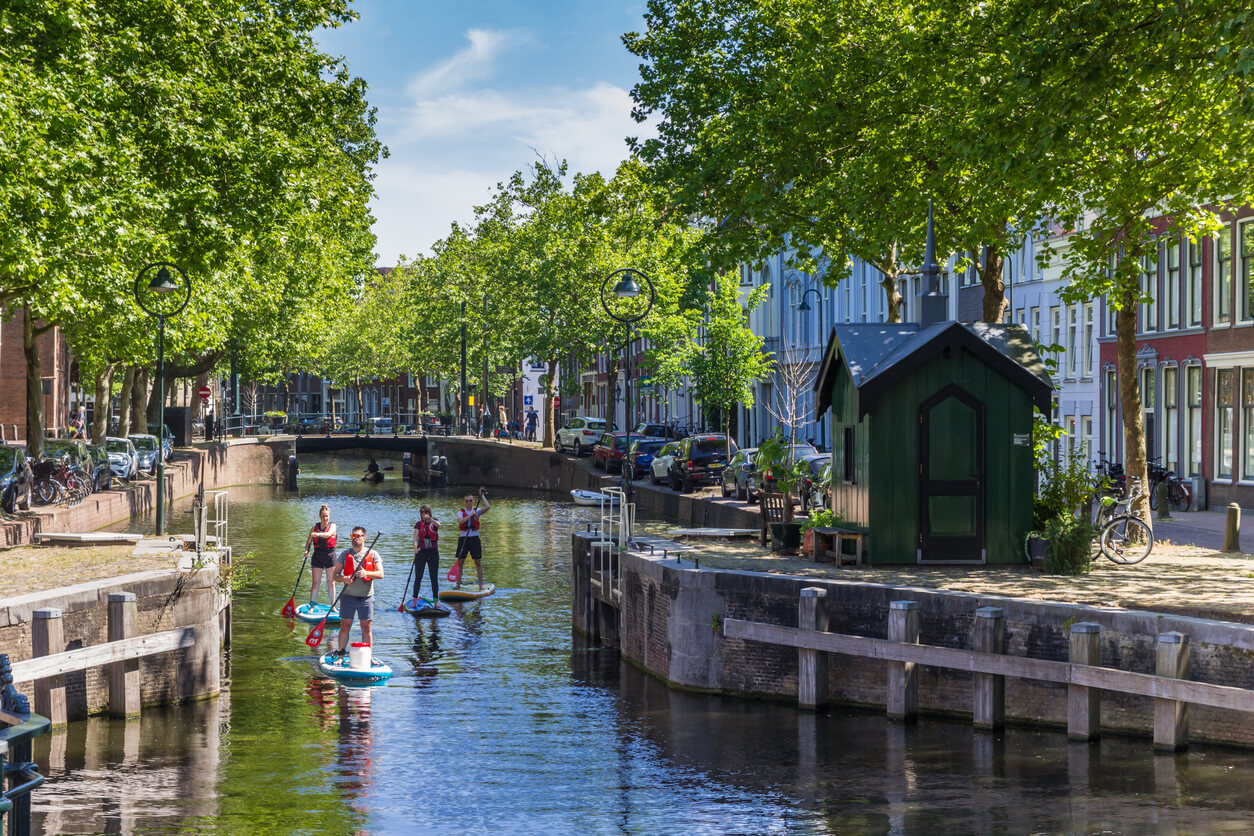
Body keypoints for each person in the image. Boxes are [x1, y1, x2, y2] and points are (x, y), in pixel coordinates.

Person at [331, 526, 384, 660]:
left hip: (366, 597)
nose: (354, 539)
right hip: (348, 596)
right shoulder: (344, 554)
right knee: (345, 626)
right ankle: (341, 655)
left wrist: (367, 573)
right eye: (352, 536)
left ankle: (368, 657)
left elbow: (381, 574)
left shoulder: (373, 554)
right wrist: (344, 578)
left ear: (364, 538)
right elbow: (334, 575)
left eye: (357, 536)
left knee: (366, 627)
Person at [453, 488, 490, 590]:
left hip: (474, 539)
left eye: (470, 500)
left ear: (473, 501)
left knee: (477, 562)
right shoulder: (460, 512)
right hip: (463, 539)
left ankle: (481, 585)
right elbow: (461, 521)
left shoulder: (477, 511)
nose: (468, 502)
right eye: (467, 501)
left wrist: (481, 496)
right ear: (464, 502)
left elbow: (487, 507)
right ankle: (458, 584)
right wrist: (470, 515)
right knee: (460, 562)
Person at [304, 504, 337, 607]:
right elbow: (308, 543)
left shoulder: (333, 526)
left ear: (329, 516)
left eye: (327, 516)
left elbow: (328, 534)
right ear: (320, 516)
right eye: (323, 516)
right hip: (317, 556)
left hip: (330, 556)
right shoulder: (314, 528)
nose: (325, 518)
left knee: (331, 583)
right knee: (315, 583)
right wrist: (306, 551)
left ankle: (333, 606)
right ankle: (312, 605)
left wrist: (317, 534)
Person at [412, 505, 440, 601]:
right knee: (418, 577)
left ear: (429, 512)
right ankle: (415, 600)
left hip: (433, 552)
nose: (423, 514)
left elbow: (438, 525)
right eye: (421, 512)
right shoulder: (418, 524)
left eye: (425, 512)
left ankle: (436, 601)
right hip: (421, 552)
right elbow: (415, 538)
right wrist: (415, 548)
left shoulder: (434, 521)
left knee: (434, 578)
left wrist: (430, 519)